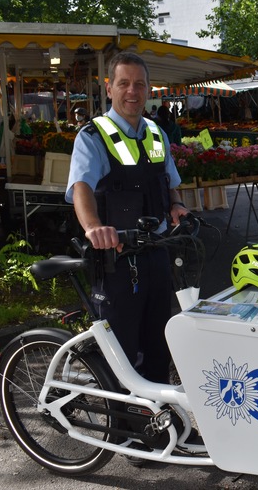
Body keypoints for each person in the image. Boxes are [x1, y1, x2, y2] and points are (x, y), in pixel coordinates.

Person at [65, 52, 189, 384]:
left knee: (160, 341)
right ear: (109, 88)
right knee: (122, 348)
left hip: (157, 251)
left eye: (139, 84)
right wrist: (93, 227)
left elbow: (169, 184)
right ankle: (122, 427)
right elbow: (81, 188)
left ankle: (158, 421)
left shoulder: (157, 134)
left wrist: (176, 206)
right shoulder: (93, 136)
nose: (131, 91)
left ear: (149, 89)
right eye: (124, 83)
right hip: (117, 258)